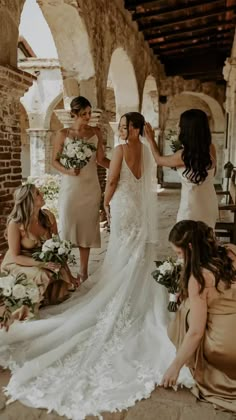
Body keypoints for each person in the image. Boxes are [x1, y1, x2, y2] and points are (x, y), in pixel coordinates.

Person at [0, 112, 192, 419]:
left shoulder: (119, 149)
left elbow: (113, 179)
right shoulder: (144, 149)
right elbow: (145, 178)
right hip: (139, 209)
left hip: (124, 206)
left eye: (123, 125)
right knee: (136, 254)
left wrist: (106, 201)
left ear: (131, 128)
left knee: (120, 251)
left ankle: (117, 294)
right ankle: (137, 292)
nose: (120, 129)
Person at [162, 220, 236, 412]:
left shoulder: (199, 278)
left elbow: (196, 332)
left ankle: (188, 355)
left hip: (226, 348)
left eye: (179, 253)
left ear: (190, 247)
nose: (179, 259)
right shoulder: (231, 250)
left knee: (186, 312)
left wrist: (175, 366)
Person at [0, 184, 77, 329]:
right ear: (28, 200)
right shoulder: (15, 224)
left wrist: (69, 274)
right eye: (37, 194)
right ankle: (26, 311)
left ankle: (44, 299)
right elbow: (16, 256)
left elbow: (57, 249)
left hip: (40, 258)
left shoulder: (47, 217)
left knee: (58, 272)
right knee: (42, 274)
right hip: (18, 262)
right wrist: (42, 264)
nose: (41, 194)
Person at [52, 96, 110, 282]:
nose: (88, 116)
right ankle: (66, 271)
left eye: (89, 112)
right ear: (73, 114)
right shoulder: (63, 134)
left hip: (90, 188)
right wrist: (68, 171)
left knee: (86, 229)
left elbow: (101, 159)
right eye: (84, 113)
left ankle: (83, 271)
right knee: (68, 228)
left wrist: (121, 169)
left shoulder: (96, 132)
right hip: (71, 187)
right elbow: (53, 161)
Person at [145, 109, 218, 228]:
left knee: (186, 240)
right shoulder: (211, 148)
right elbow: (213, 174)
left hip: (191, 206)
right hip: (209, 203)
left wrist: (151, 139)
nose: (177, 126)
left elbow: (158, 159)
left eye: (180, 124)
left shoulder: (183, 155)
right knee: (205, 240)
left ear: (188, 129)